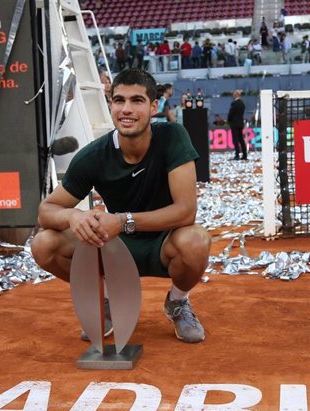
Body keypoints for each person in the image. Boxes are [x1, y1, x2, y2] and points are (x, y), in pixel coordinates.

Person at [31, 68, 210, 344]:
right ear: (110, 104)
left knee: (197, 241)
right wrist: (73, 216)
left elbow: (186, 211)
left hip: (165, 242)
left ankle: (177, 302)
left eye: (137, 101)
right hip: (113, 245)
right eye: (119, 100)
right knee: (44, 244)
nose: (126, 109)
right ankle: (106, 300)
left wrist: (123, 220)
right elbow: (46, 211)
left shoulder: (173, 136)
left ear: (153, 107)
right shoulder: (93, 155)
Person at [227, 89, 247, 161]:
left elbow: (231, 114)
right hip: (240, 123)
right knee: (241, 139)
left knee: (235, 140)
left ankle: (237, 155)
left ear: (236, 95)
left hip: (234, 124)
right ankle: (244, 155)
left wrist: (228, 120)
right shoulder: (242, 103)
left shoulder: (234, 104)